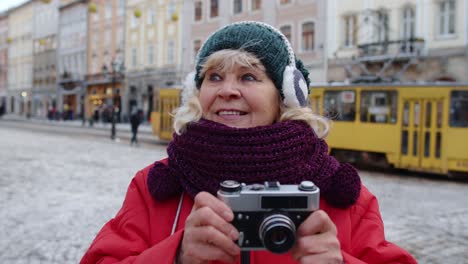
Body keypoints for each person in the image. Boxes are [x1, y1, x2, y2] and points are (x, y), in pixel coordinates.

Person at [80, 21, 417, 264]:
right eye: (214, 77)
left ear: (285, 97)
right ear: (197, 94)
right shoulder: (154, 186)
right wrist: (175, 256)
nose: (227, 89)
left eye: (248, 76)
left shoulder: (341, 195)